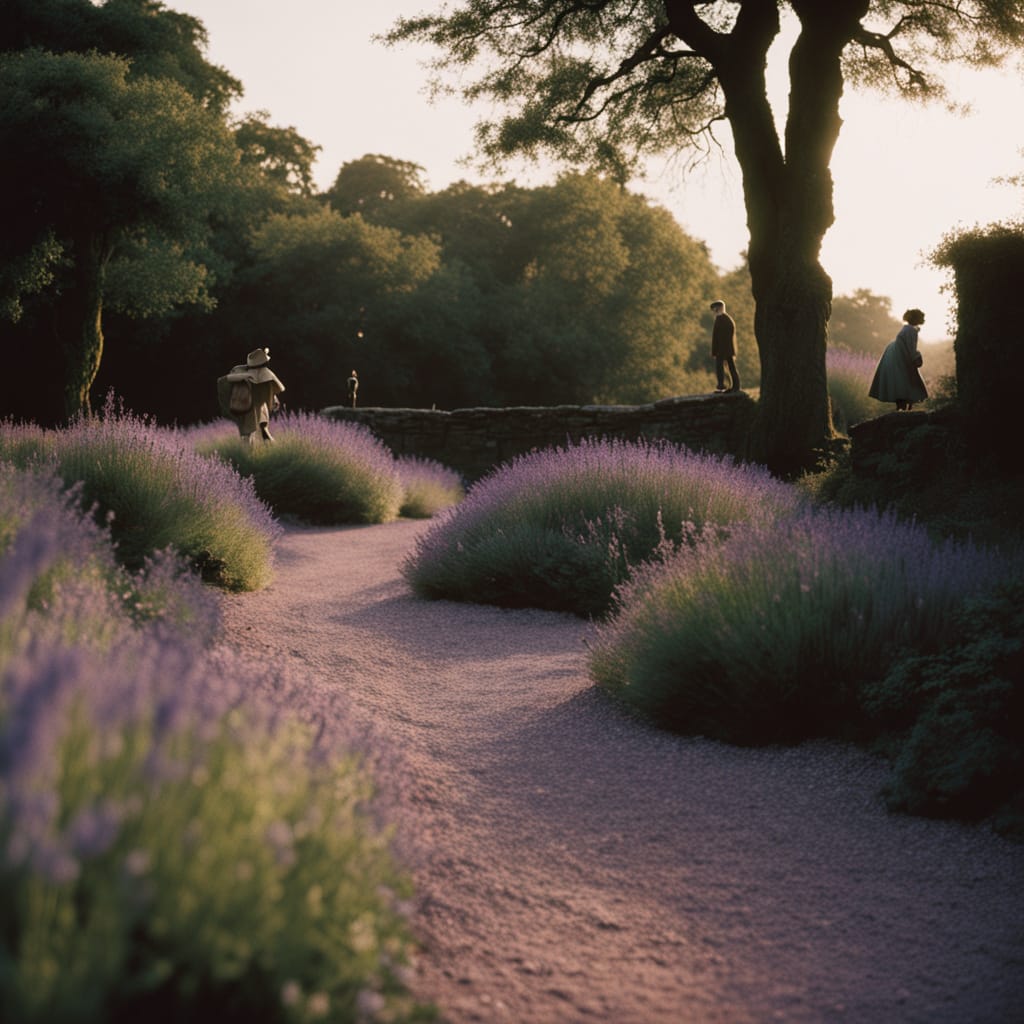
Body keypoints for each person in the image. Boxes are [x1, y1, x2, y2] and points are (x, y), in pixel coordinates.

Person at [217, 347, 285, 443]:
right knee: (249, 434)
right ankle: (249, 453)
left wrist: (274, 398)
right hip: (247, 407)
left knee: (262, 431)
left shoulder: (263, 373)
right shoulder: (240, 371)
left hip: (259, 408)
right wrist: (244, 376)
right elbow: (223, 381)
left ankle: (261, 451)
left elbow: (268, 387)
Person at [868, 308, 928, 411]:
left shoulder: (907, 329)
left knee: (901, 382)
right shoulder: (911, 331)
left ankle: (902, 409)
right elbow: (911, 348)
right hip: (899, 356)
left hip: (894, 354)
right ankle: (903, 411)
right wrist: (916, 358)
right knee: (905, 381)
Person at [710, 300, 741, 393]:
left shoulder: (723, 319)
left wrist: (718, 350)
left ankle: (723, 385)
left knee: (722, 367)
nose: (714, 311)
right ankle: (734, 386)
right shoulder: (724, 319)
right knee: (730, 366)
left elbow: (721, 337)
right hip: (725, 349)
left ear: (719, 308)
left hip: (724, 349)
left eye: (715, 309)